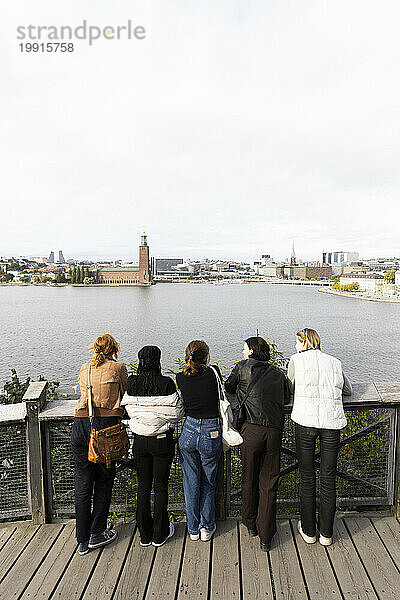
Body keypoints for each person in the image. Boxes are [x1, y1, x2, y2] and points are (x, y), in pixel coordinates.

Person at [225, 336, 291, 551]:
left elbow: (229, 388)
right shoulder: (278, 373)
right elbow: (287, 397)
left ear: (251, 351)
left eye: (244, 348)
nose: (242, 352)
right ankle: (266, 535)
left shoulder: (242, 367)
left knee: (249, 477)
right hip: (273, 430)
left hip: (251, 430)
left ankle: (250, 523)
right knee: (269, 482)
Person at [288, 328, 352, 547]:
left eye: (297, 341)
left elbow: (289, 389)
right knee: (328, 479)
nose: (295, 345)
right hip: (332, 424)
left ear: (304, 343)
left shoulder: (296, 360)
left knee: (307, 477)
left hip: (305, 422)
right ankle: (326, 533)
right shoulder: (334, 361)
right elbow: (348, 390)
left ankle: (308, 531)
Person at [71, 333, 128, 555]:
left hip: (80, 426)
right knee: (104, 481)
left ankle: (82, 540)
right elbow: (125, 393)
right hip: (105, 429)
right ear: (114, 350)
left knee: (83, 485)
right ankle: (97, 532)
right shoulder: (118, 367)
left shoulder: (85, 368)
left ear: (94, 349)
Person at [121, 346, 184, 547]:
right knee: (160, 488)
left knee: (143, 487)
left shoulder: (132, 382)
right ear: (158, 360)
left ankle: (144, 534)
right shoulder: (166, 383)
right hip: (161, 441)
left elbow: (128, 409)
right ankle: (160, 533)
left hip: (139, 440)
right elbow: (176, 413)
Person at [176, 340, 222, 542]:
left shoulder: (180, 377)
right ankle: (207, 527)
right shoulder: (214, 373)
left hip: (189, 430)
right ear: (206, 356)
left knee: (191, 482)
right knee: (209, 482)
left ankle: (193, 529)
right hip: (211, 431)